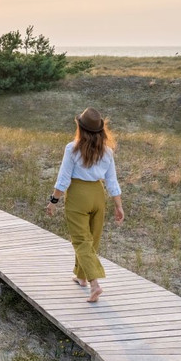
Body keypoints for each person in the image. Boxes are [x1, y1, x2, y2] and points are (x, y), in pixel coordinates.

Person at [44, 108, 124, 302]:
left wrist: (53, 201)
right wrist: (118, 205)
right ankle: (81, 276)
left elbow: (63, 179)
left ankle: (94, 284)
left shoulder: (72, 148)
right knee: (92, 240)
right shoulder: (107, 151)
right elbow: (112, 181)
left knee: (81, 240)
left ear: (80, 127)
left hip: (78, 195)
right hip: (98, 195)